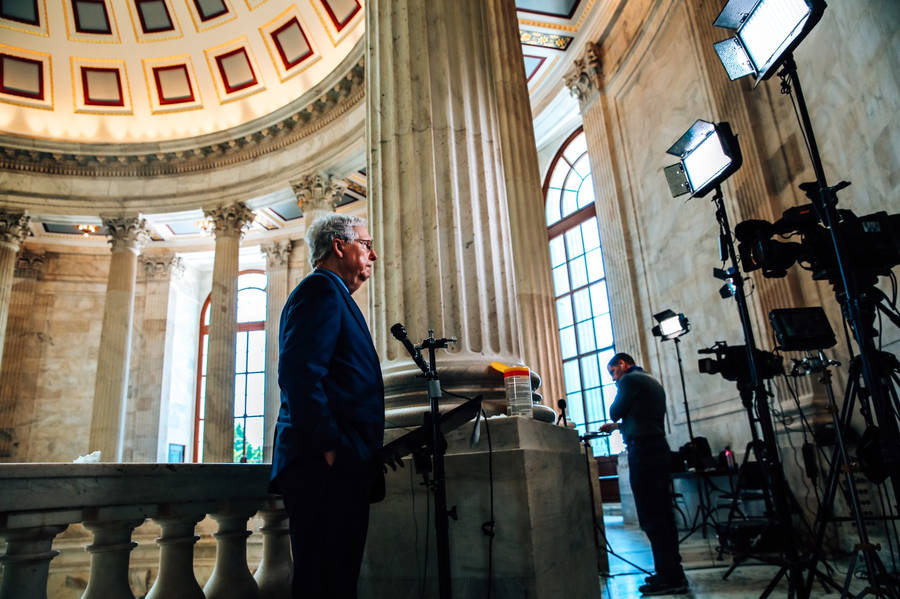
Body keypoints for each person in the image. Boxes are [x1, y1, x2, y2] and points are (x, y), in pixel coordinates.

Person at [269, 213, 384, 599]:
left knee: (337, 580)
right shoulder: (320, 290)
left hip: (337, 464)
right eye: (366, 245)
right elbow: (301, 375)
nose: (374, 255)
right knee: (325, 583)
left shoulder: (331, 293)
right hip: (323, 468)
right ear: (339, 246)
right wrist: (331, 448)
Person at [599, 352, 688, 596]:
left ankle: (671, 577)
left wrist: (615, 418)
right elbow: (641, 415)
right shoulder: (650, 380)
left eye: (613, 372)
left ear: (623, 364)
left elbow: (615, 410)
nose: (613, 378)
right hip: (657, 449)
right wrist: (618, 428)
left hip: (645, 452)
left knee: (652, 517)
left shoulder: (629, 380)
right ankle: (669, 572)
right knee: (662, 516)